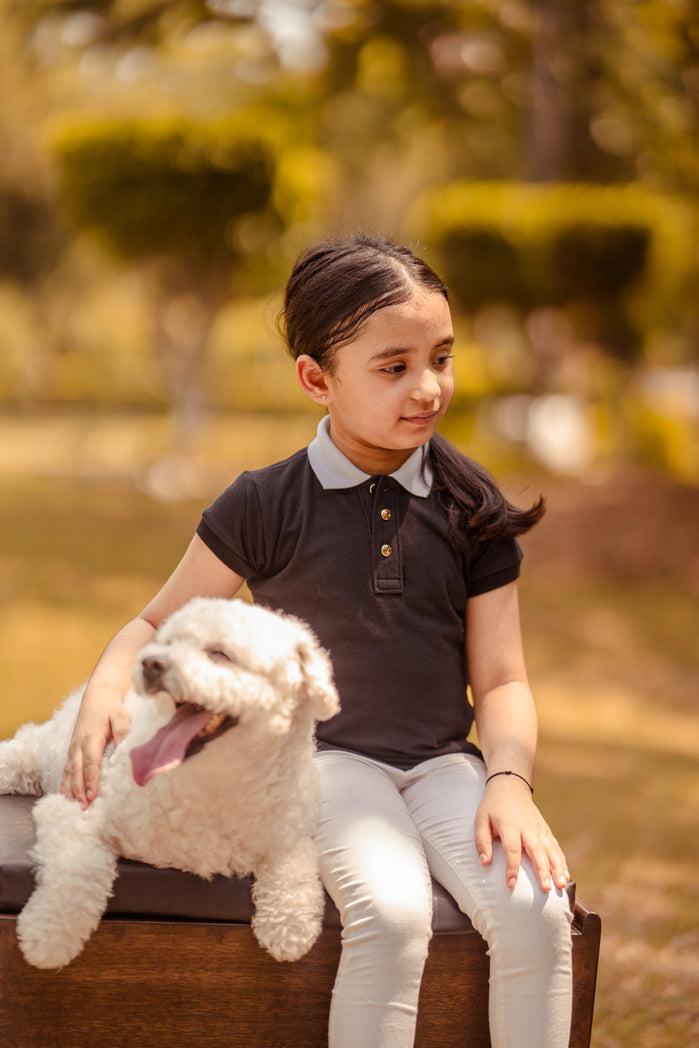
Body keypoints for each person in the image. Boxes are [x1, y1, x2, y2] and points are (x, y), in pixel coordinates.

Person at [62, 235, 573, 1048]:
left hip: (444, 764)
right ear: (315, 379)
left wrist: (508, 780)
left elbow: (503, 677)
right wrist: (103, 694)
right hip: (324, 762)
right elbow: (154, 624)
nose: (428, 388)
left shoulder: (470, 503)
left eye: (441, 358)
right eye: (394, 366)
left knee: (537, 914)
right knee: (394, 917)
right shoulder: (264, 502)